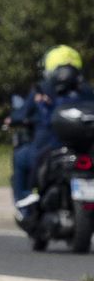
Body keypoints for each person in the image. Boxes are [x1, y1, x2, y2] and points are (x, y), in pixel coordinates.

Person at [12, 45, 92, 229]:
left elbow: (22, 114)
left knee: (20, 157)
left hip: (47, 149)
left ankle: (24, 202)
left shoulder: (43, 90)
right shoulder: (87, 91)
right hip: (83, 150)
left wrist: (14, 118)